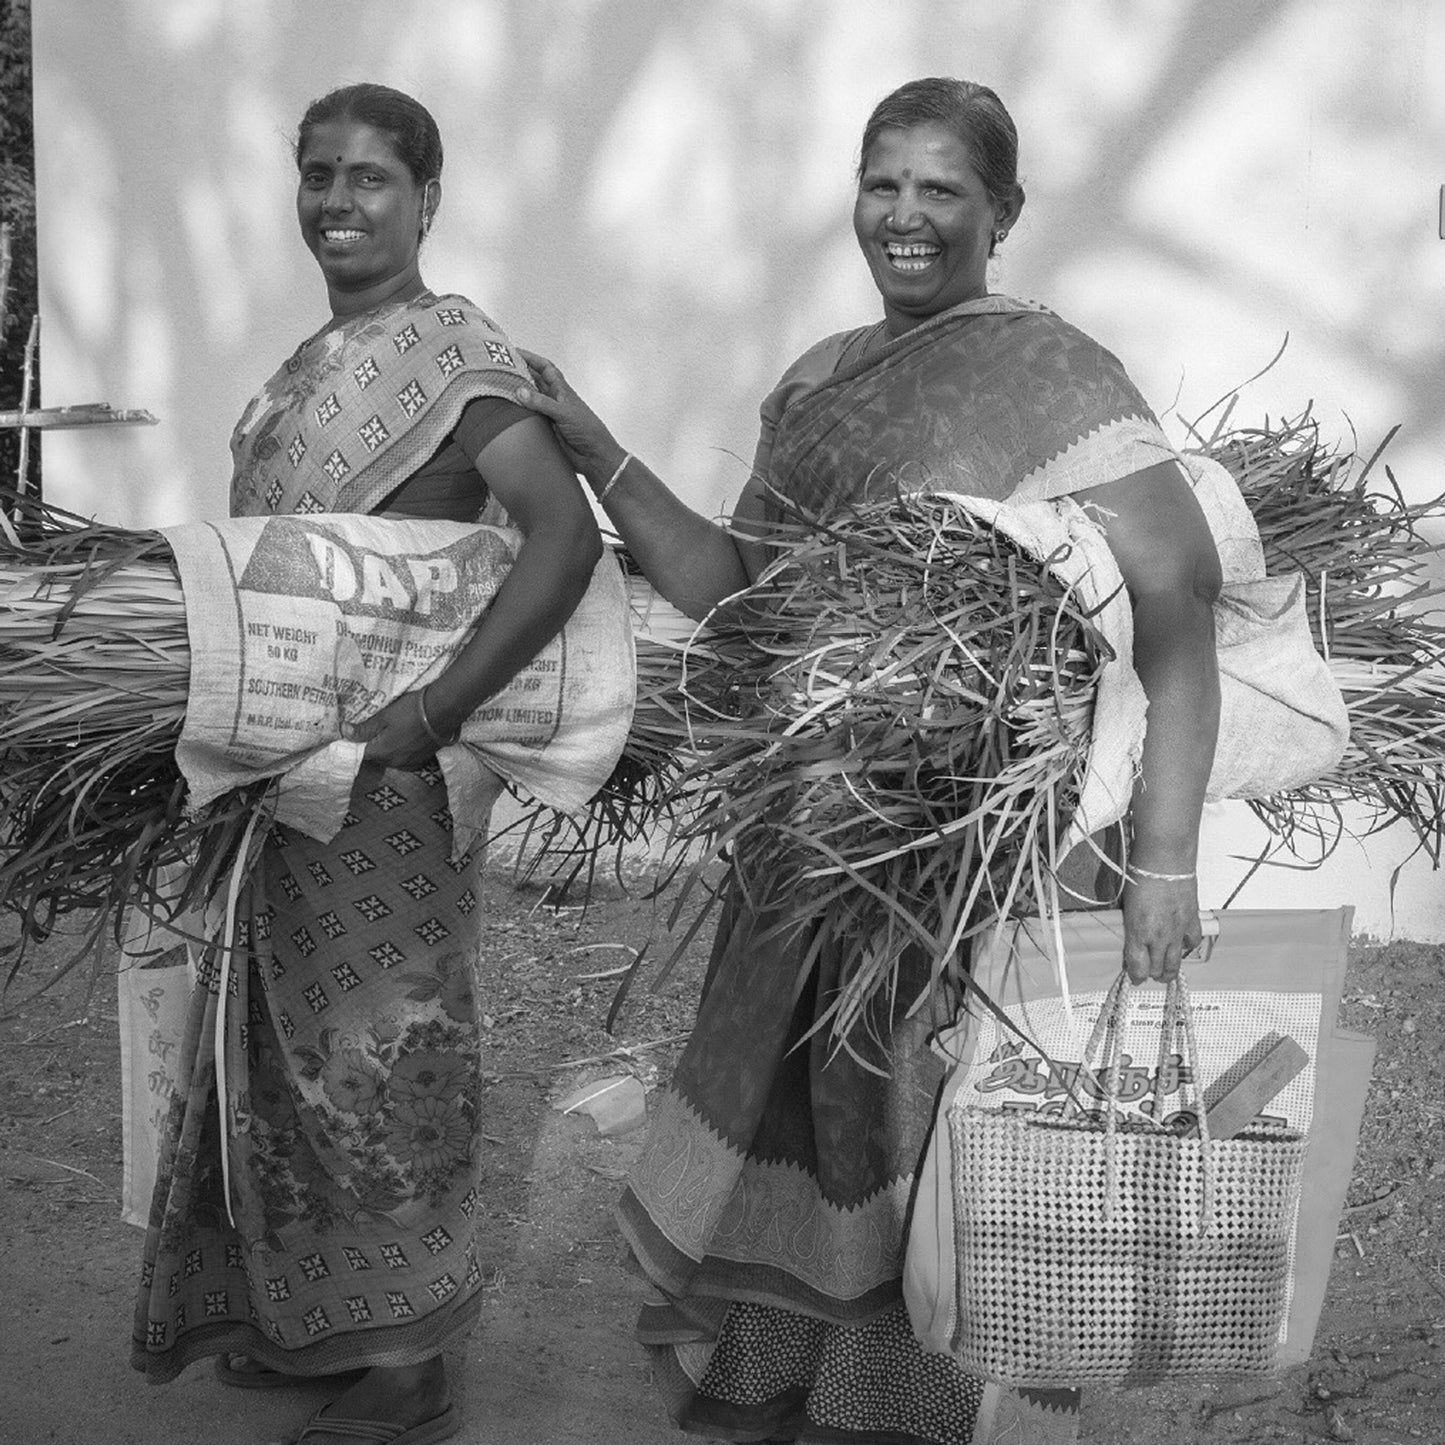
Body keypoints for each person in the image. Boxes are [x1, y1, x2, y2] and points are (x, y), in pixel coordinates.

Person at [516, 77, 1222, 1445]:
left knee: (933, 1156)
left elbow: (1176, 609)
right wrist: (601, 452)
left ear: (1000, 213)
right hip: (806, 857)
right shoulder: (815, 386)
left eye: (939, 188)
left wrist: (1163, 864)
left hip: (968, 868)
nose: (903, 216)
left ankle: (910, 1415)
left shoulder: (1048, 373)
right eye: (881, 183)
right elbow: (735, 586)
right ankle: (798, 1385)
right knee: (810, 1137)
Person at [129, 84, 602, 1445]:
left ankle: (411, 1360)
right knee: (280, 1055)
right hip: (285, 772)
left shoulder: (457, 353)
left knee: (383, 1053)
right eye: (319, 174)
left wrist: (438, 712)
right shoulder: (297, 375)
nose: (338, 200)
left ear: (428, 200)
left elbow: (558, 541)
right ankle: (323, 1319)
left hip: (392, 788)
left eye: (371, 178)